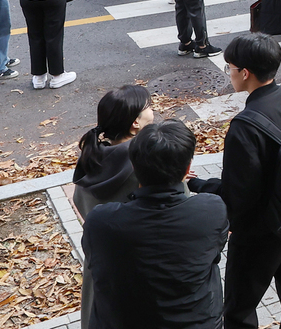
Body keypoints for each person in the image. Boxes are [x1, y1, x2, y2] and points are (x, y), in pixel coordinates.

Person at [189, 34, 281, 329]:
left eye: (230, 68)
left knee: (239, 309)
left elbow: (238, 197)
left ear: (245, 73)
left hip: (260, 235)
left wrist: (196, 186)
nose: (230, 74)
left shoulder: (244, 127)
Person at [84, 120, 228, 329]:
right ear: (187, 168)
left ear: (134, 166)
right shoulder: (211, 210)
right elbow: (214, 253)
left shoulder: (101, 222)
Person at [72, 85, 155, 329]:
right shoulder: (144, 161)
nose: (153, 110)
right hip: (136, 265)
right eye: (148, 107)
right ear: (135, 124)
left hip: (100, 262)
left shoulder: (92, 155)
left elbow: (79, 201)